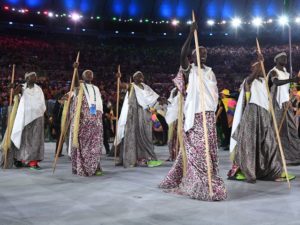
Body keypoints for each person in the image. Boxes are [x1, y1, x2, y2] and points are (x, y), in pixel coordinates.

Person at [159, 22, 227, 201]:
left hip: (209, 115)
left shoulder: (210, 72)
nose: (203, 55)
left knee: (208, 150)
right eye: (199, 53)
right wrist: (190, 34)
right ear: (193, 56)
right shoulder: (191, 71)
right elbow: (182, 55)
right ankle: (199, 182)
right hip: (195, 115)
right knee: (198, 151)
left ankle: (209, 180)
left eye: (205, 53)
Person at [228, 57, 294, 183]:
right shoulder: (248, 81)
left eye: (261, 67)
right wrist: (259, 63)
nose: (260, 69)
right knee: (250, 145)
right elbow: (250, 80)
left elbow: (276, 83)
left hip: (264, 114)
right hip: (252, 115)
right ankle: (250, 173)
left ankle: (273, 172)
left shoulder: (265, 81)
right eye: (257, 67)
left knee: (270, 144)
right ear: (252, 68)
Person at [115, 71, 162, 168]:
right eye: (139, 75)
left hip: (146, 115)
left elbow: (154, 97)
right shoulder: (132, 86)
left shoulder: (145, 87)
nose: (142, 77)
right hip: (134, 115)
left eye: (142, 75)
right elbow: (122, 86)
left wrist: (161, 99)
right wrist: (119, 79)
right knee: (133, 134)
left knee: (146, 135)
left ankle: (146, 158)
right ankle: (134, 159)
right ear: (134, 78)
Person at [6, 72, 46, 170]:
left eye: (36, 76)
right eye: (33, 76)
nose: (35, 77)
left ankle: (33, 162)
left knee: (35, 140)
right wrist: (10, 87)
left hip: (37, 118)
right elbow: (13, 94)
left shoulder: (38, 89)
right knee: (23, 140)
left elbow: (41, 103)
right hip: (24, 118)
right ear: (27, 78)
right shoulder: (22, 87)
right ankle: (19, 159)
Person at [70, 66, 104, 176]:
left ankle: (95, 166)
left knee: (96, 144)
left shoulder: (96, 88)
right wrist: (75, 70)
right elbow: (75, 83)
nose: (89, 75)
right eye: (87, 73)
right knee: (83, 144)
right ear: (82, 76)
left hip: (96, 121)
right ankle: (83, 167)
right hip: (83, 121)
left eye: (91, 73)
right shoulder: (80, 87)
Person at [267, 52, 300, 165]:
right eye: (282, 57)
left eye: (286, 57)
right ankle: (272, 156)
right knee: (276, 129)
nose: (285, 58)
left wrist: (293, 88)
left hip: (286, 103)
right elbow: (276, 82)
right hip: (276, 103)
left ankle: (292, 155)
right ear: (276, 60)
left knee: (291, 129)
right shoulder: (273, 72)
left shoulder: (286, 73)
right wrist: (292, 80)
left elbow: (289, 88)